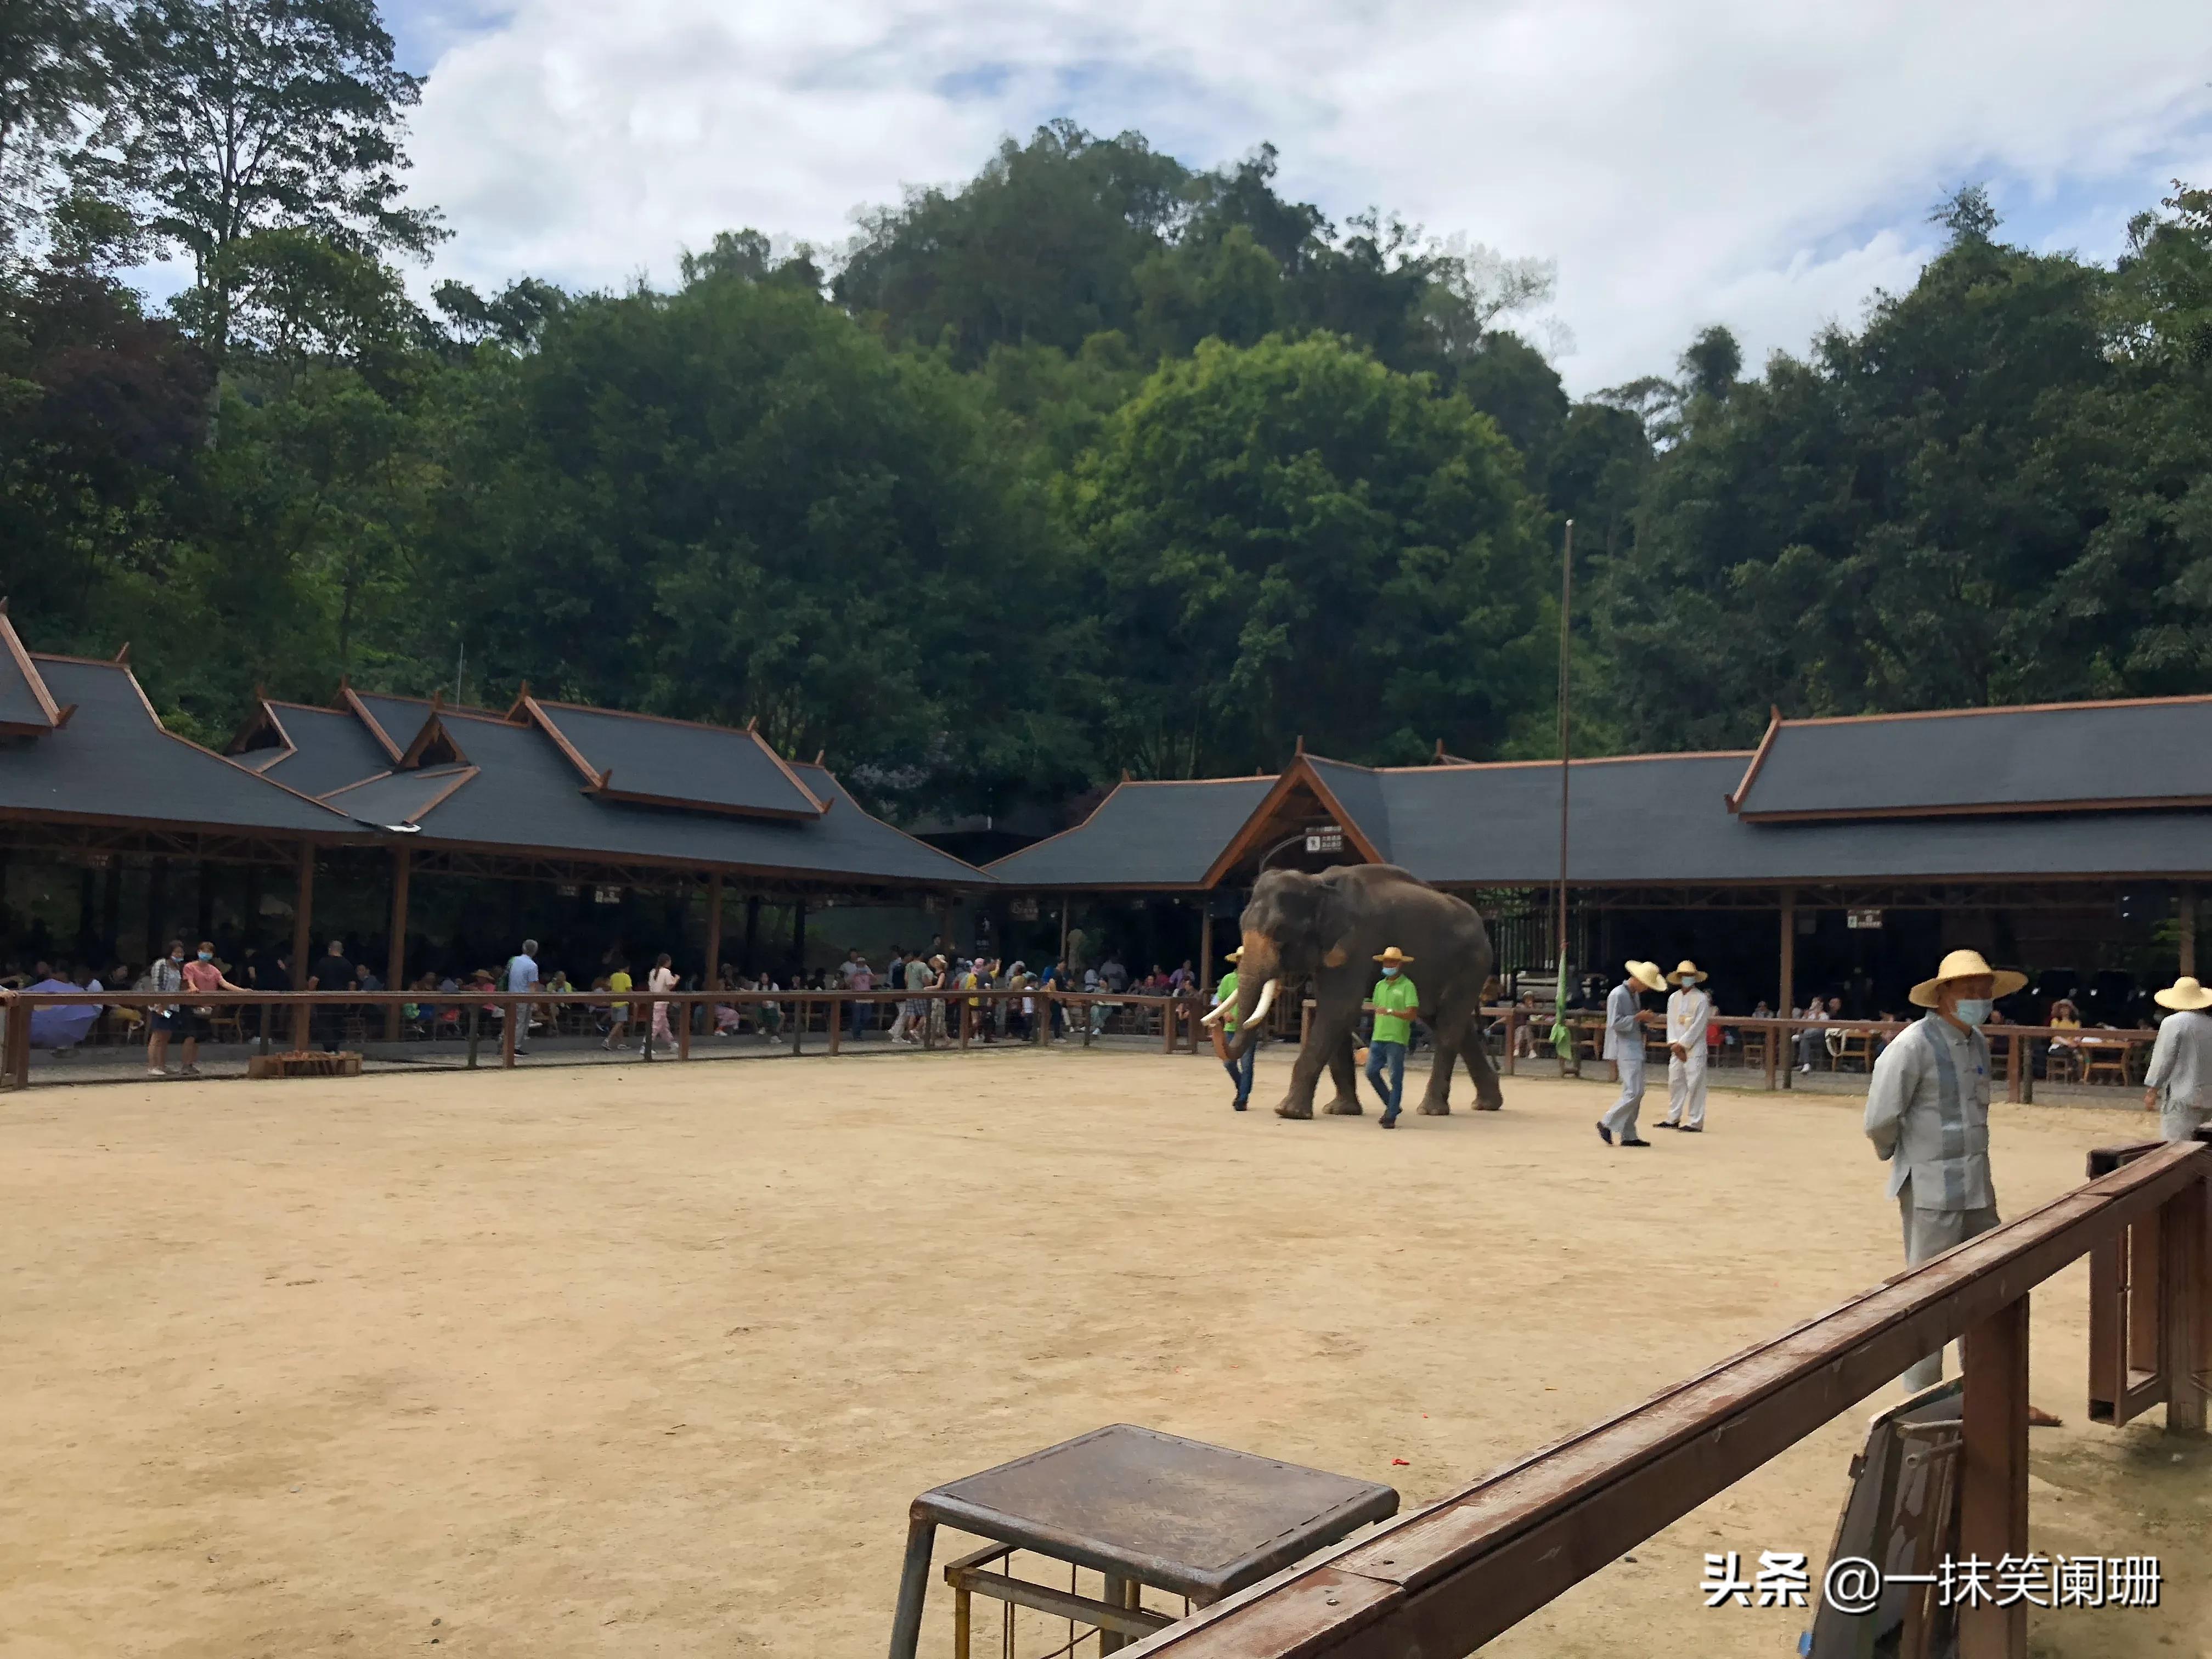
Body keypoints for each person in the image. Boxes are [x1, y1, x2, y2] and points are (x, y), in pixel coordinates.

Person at [1863, 949, 2053, 1415]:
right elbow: (1880, 1118)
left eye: (1984, 989)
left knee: (1992, 1286)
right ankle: (1923, 1399)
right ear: (1943, 993)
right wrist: (1904, 1157)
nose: (1978, 997)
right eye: (1968, 988)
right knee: (1928, 1293)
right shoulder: (1911, 1046)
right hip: (1931, 1189)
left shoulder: (1977, 1042)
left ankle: (1988, 1390)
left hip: (1976, 1187)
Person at [1596, 960, 1666, 1146]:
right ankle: (1608, 1121)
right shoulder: (1618, 994)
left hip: (1634, 1045)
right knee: (1634, 1091)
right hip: (1625, 1046)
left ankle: (1629, 1133)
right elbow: (1615, 1023)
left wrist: (1643, 1020)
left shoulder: (1632, 995)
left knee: (1636, 1091)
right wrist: (1637, 1018)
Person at [2143, 975, 2212, 1142]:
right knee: (2205, 1148)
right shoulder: (2210, 1024)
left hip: (2182, 1095)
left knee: (2176, 1146)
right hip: (2209, 1095)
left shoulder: (2172, 1023)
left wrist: (2153, 1089)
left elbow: (2164, 1058)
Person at [1362, 946, 1420, 1129]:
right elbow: (1376, 1007)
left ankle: (1391, 1115)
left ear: (1399, 965)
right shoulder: (1380, 986)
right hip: (1379, 1036)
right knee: (1371, 1072)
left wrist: (1391, 1012)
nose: (1389, 965)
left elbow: (1412, 1014)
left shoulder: (1407, 986)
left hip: (1397, 1038)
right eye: (1387, 962)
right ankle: (1393, 1106)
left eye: (1393, 962)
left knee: (1396, 1077)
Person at [1657, 961, 1713, 1131]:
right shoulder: (1673, 998)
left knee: (1695, 1084)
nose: (1687, 979)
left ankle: (1696, 1121)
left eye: (1690, 976)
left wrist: (1683, 1045)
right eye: (1684, 976)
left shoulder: (1702, 999)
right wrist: (1674, 1044)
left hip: (1694, 1048)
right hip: (1676, 1048)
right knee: (1675, 1082)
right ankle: (1673, 1117)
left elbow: (1699, 1025)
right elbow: (1671, 1023)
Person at [176, 940, 245, 1076]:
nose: (205, 954)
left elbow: (224, 983)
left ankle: (191, 1064)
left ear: (212, 955)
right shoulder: (190, 967)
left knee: (198, 1038)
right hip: (191, 1005)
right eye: (203, 951)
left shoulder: (214, 970)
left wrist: (242, 991)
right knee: (190, 1036)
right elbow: (189, 981)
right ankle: (184, 1065)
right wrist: (193, 988)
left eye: (208, 952)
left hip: (207, 1007)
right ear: (198, 952)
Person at [1202, 946, 1259, 1110]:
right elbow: (1219, 1000)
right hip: (1230, 1028)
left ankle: (1242, 1098)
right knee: (1229, 1063)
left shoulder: (1257, 981)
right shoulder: (1228, 979)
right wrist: (1224, 1012)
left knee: (1247, 1065)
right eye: (1241, 959)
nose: (1243, 962)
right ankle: (1242, 1089)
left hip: (1248, 1027)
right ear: (1237, 962)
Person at [143, 939, 188, 1075]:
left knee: (166, 1035)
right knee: (157, 1035)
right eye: (177, 952)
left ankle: (162, 1065)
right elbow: (157, 985)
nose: (180, 954)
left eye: (181, 952)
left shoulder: (178, 967)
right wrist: (160, 1005)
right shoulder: (161, 964)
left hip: (174, 1007)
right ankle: (152, 1067)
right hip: (160, 1006)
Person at [306, 938, 356, 1052]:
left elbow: (314, 981)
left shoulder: (323, 962)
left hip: (325, 999)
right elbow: (352, 984)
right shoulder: (347, 964)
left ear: (330, 949)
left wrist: (310, 993)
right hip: (341, 1000)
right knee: (337, 1023)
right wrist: (349, 999)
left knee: (324, 1024)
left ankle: (329, 1049)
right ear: (341, 950)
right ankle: (335, 1048)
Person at [505, 938, 541, 1055]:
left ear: (524, 948)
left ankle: (506, 1044)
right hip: (524, 998)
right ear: (535, 951)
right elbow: (532, 985)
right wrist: (535, 1001)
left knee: (512, 1021)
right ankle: (514, 1048)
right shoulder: (532, 966)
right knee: (521, 1023)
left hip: (511, 995)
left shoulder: (513, 961)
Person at [641, 952, 678, 1056]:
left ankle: (672, 1044)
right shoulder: (666, 971)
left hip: (654, 1001)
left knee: (664, 1026)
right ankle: (645, 1047)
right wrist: (676, 979)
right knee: (656, 1026)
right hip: (661, 1002)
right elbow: (670, 985)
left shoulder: (653, 972)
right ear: (667, 962)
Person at [602, 958, 633, 1050]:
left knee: (619, 1025)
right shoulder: (626, 977)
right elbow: (629, 990)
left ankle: (622, 1043)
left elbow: (608, 987)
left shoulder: (613, 976)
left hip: (614, 1003)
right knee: (620, 1023)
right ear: (626, 968)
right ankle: (607, 1040)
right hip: (623, 1003)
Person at [1793, 996, 1830, 1072]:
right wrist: (1806, 1017)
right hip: (1808, 1037)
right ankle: (1806, 1065)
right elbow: (1800, 1028)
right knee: (1805, 1041)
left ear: (1821, 1004)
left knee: (1815, 1033)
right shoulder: (1808, 1014)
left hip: (1818, 1038)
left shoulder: (1824, 1015)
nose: (1814, 1004)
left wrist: (1817, 1015)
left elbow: (1820, 1028)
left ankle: (1800, 1038)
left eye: (1816, 1002)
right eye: (1813, 1002)